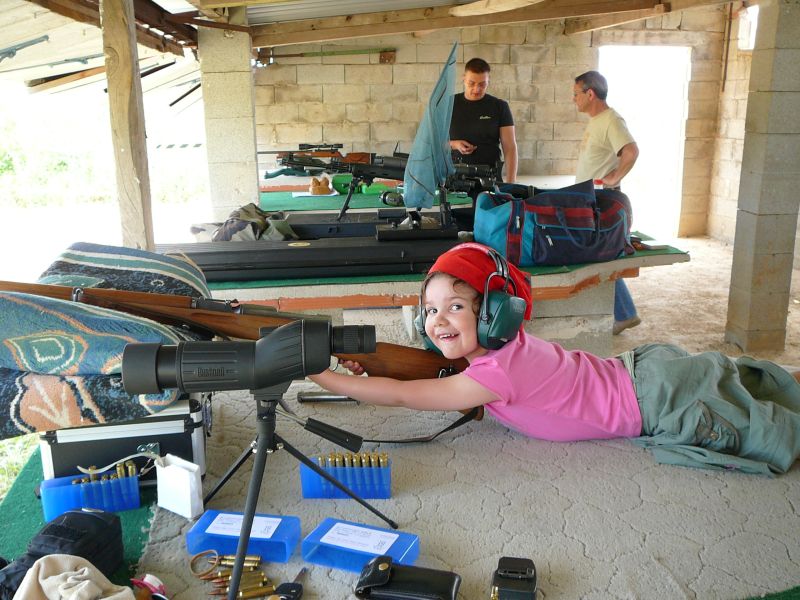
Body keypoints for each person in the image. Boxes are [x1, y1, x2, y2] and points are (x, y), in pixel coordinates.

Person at [310, 242, 800, 476]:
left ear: (496, 313)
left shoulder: (496, 373)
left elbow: (403, 394)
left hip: (657, 399)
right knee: (753, 383)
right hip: (645, 372)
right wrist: (369, 363)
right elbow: (409, 376)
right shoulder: (502, 352)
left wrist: (326, 378)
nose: (438, 321)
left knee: (771, 430)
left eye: (457, 307)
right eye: (431, 310)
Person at [573, 70, 641, 336]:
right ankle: (624, 312)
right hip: (588, 197)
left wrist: (614, 178)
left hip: (600, 200)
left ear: (590, 93)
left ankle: (625, 313)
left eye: (576, 94)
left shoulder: (612, 119)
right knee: (599, 254)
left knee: (601, 254)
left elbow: (631, 151)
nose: (573, 99)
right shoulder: (596, 120)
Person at [449, 58, 518, 183]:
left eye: (482, 84)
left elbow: (510, 147)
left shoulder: (499, 106)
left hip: (489, 177)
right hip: (454, 177)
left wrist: (510, 183)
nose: (476, 89)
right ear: (463, 79)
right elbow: (433, 143)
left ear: (488, 82)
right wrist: (454, 144)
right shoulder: (448, 105)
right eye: (471, 83)